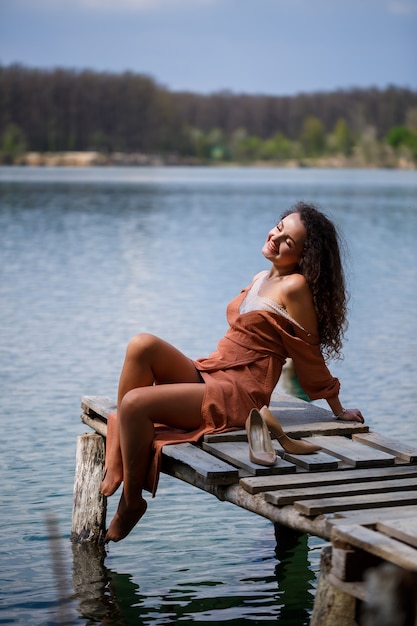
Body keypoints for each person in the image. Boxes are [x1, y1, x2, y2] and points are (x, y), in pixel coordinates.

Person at [101, 201, 364, 543]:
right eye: (279, 228)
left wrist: (338, 409)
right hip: (214, 371)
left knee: (136, 403)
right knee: (141, 344)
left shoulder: (295, 287)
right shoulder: (260, 277)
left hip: (239, 393)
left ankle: (132, 502)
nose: (276, 237)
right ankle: (123, 441)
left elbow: (307, 352)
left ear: (304, 255)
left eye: (289, 241)